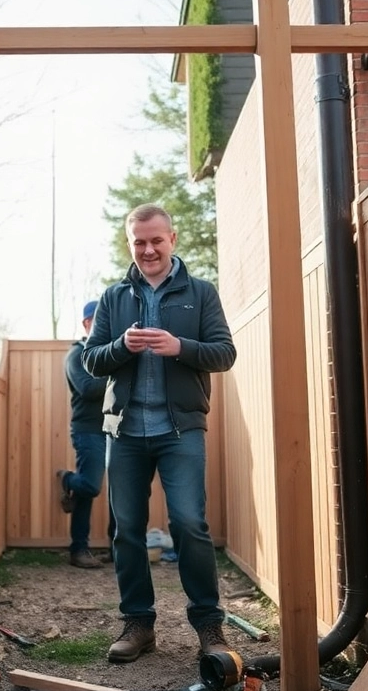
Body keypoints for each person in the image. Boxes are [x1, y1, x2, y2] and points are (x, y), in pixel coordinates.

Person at [82, 204, 237, 664]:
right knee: (127, 530)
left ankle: (209, 626)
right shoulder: (114, 297)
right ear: (129, 244)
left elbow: (224, 352)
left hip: (180, 429)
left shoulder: (201, 293)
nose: (148, 250)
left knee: (189, 523)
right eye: (139, 242)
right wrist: (120, 348)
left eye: (156, 240)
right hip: (125, 431)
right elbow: (92, 361)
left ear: (172, 239)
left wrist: (180, 347)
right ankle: (138, 624)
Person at [56, 300, 112, 569]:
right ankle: (66, 479)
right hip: (88, 430)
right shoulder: (76, 355)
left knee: (120, 493)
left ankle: (112, 549)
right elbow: (88, 388)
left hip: (116, 429)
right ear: (86, 324)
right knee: (89, 487)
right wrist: (118, 375)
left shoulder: (109, 354)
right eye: (98, 321)